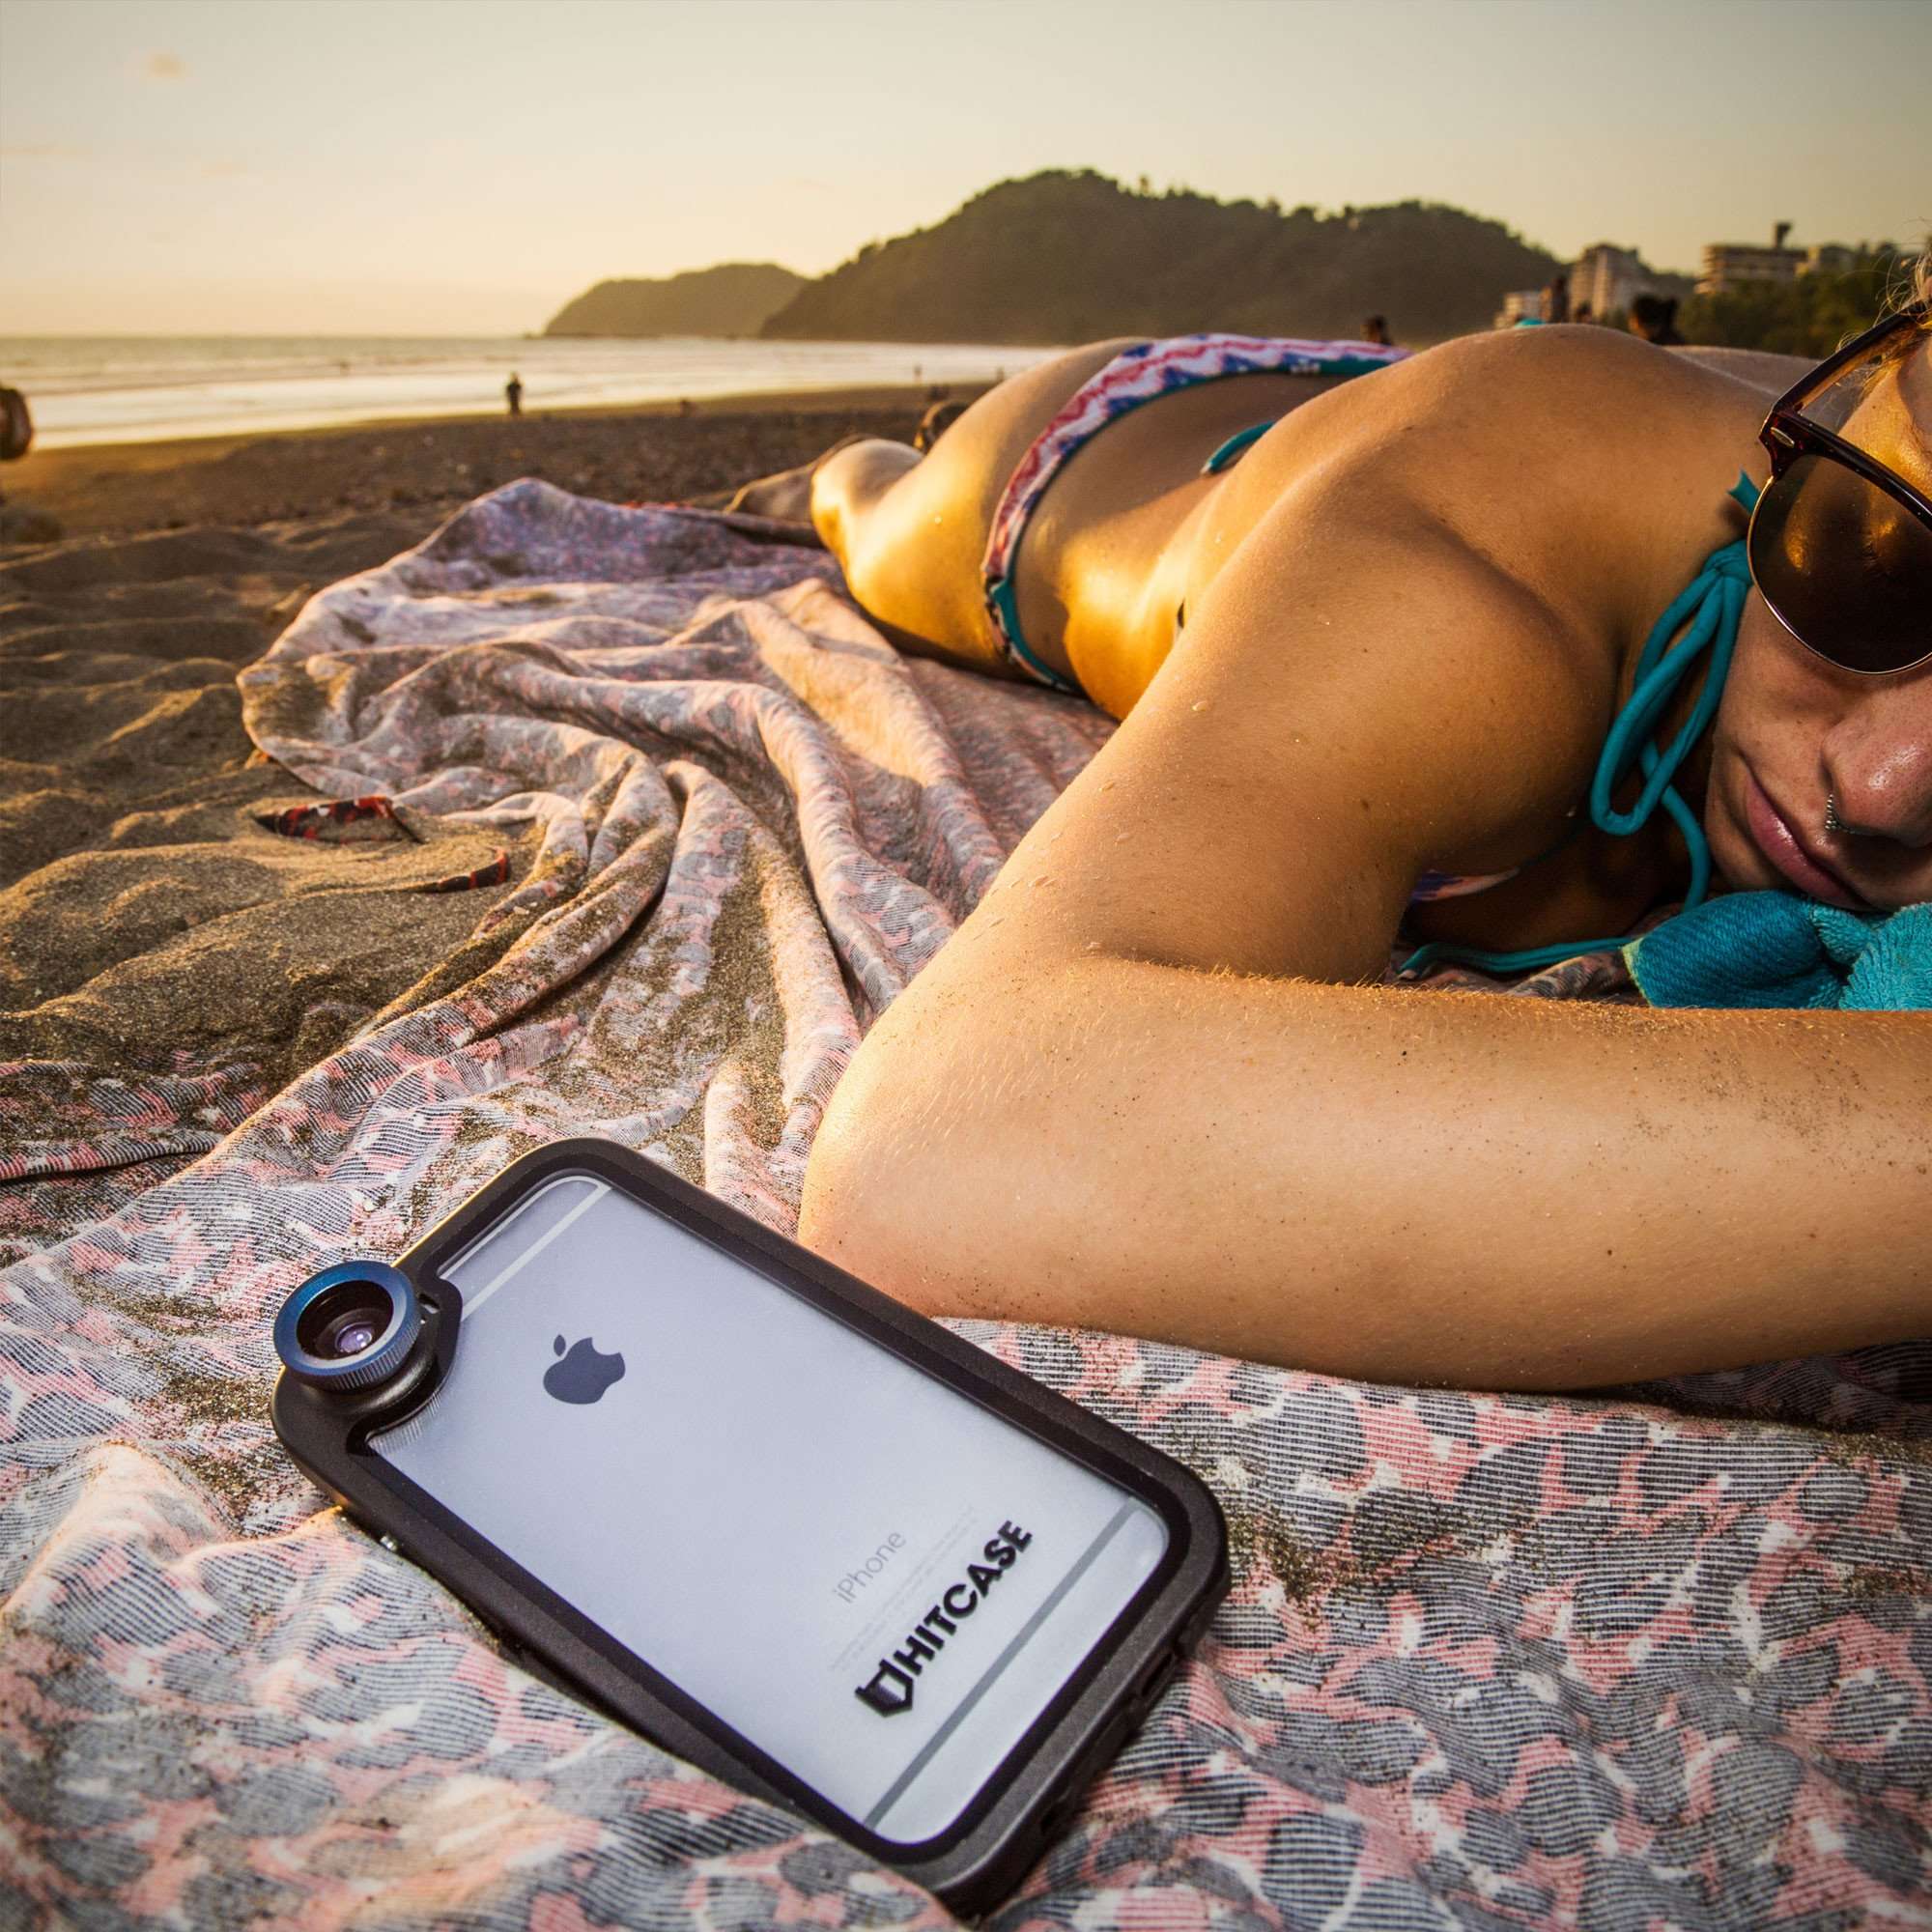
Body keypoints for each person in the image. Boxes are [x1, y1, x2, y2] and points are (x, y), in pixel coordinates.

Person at [783, 268, 1932, 1392]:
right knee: (873, 517)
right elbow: (942, 1148)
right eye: (1884, 557)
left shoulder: (1892, 424)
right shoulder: (1469, 589)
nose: (1877, 789)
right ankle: (846, 464)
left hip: (1397, 411)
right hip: (1097, 456)